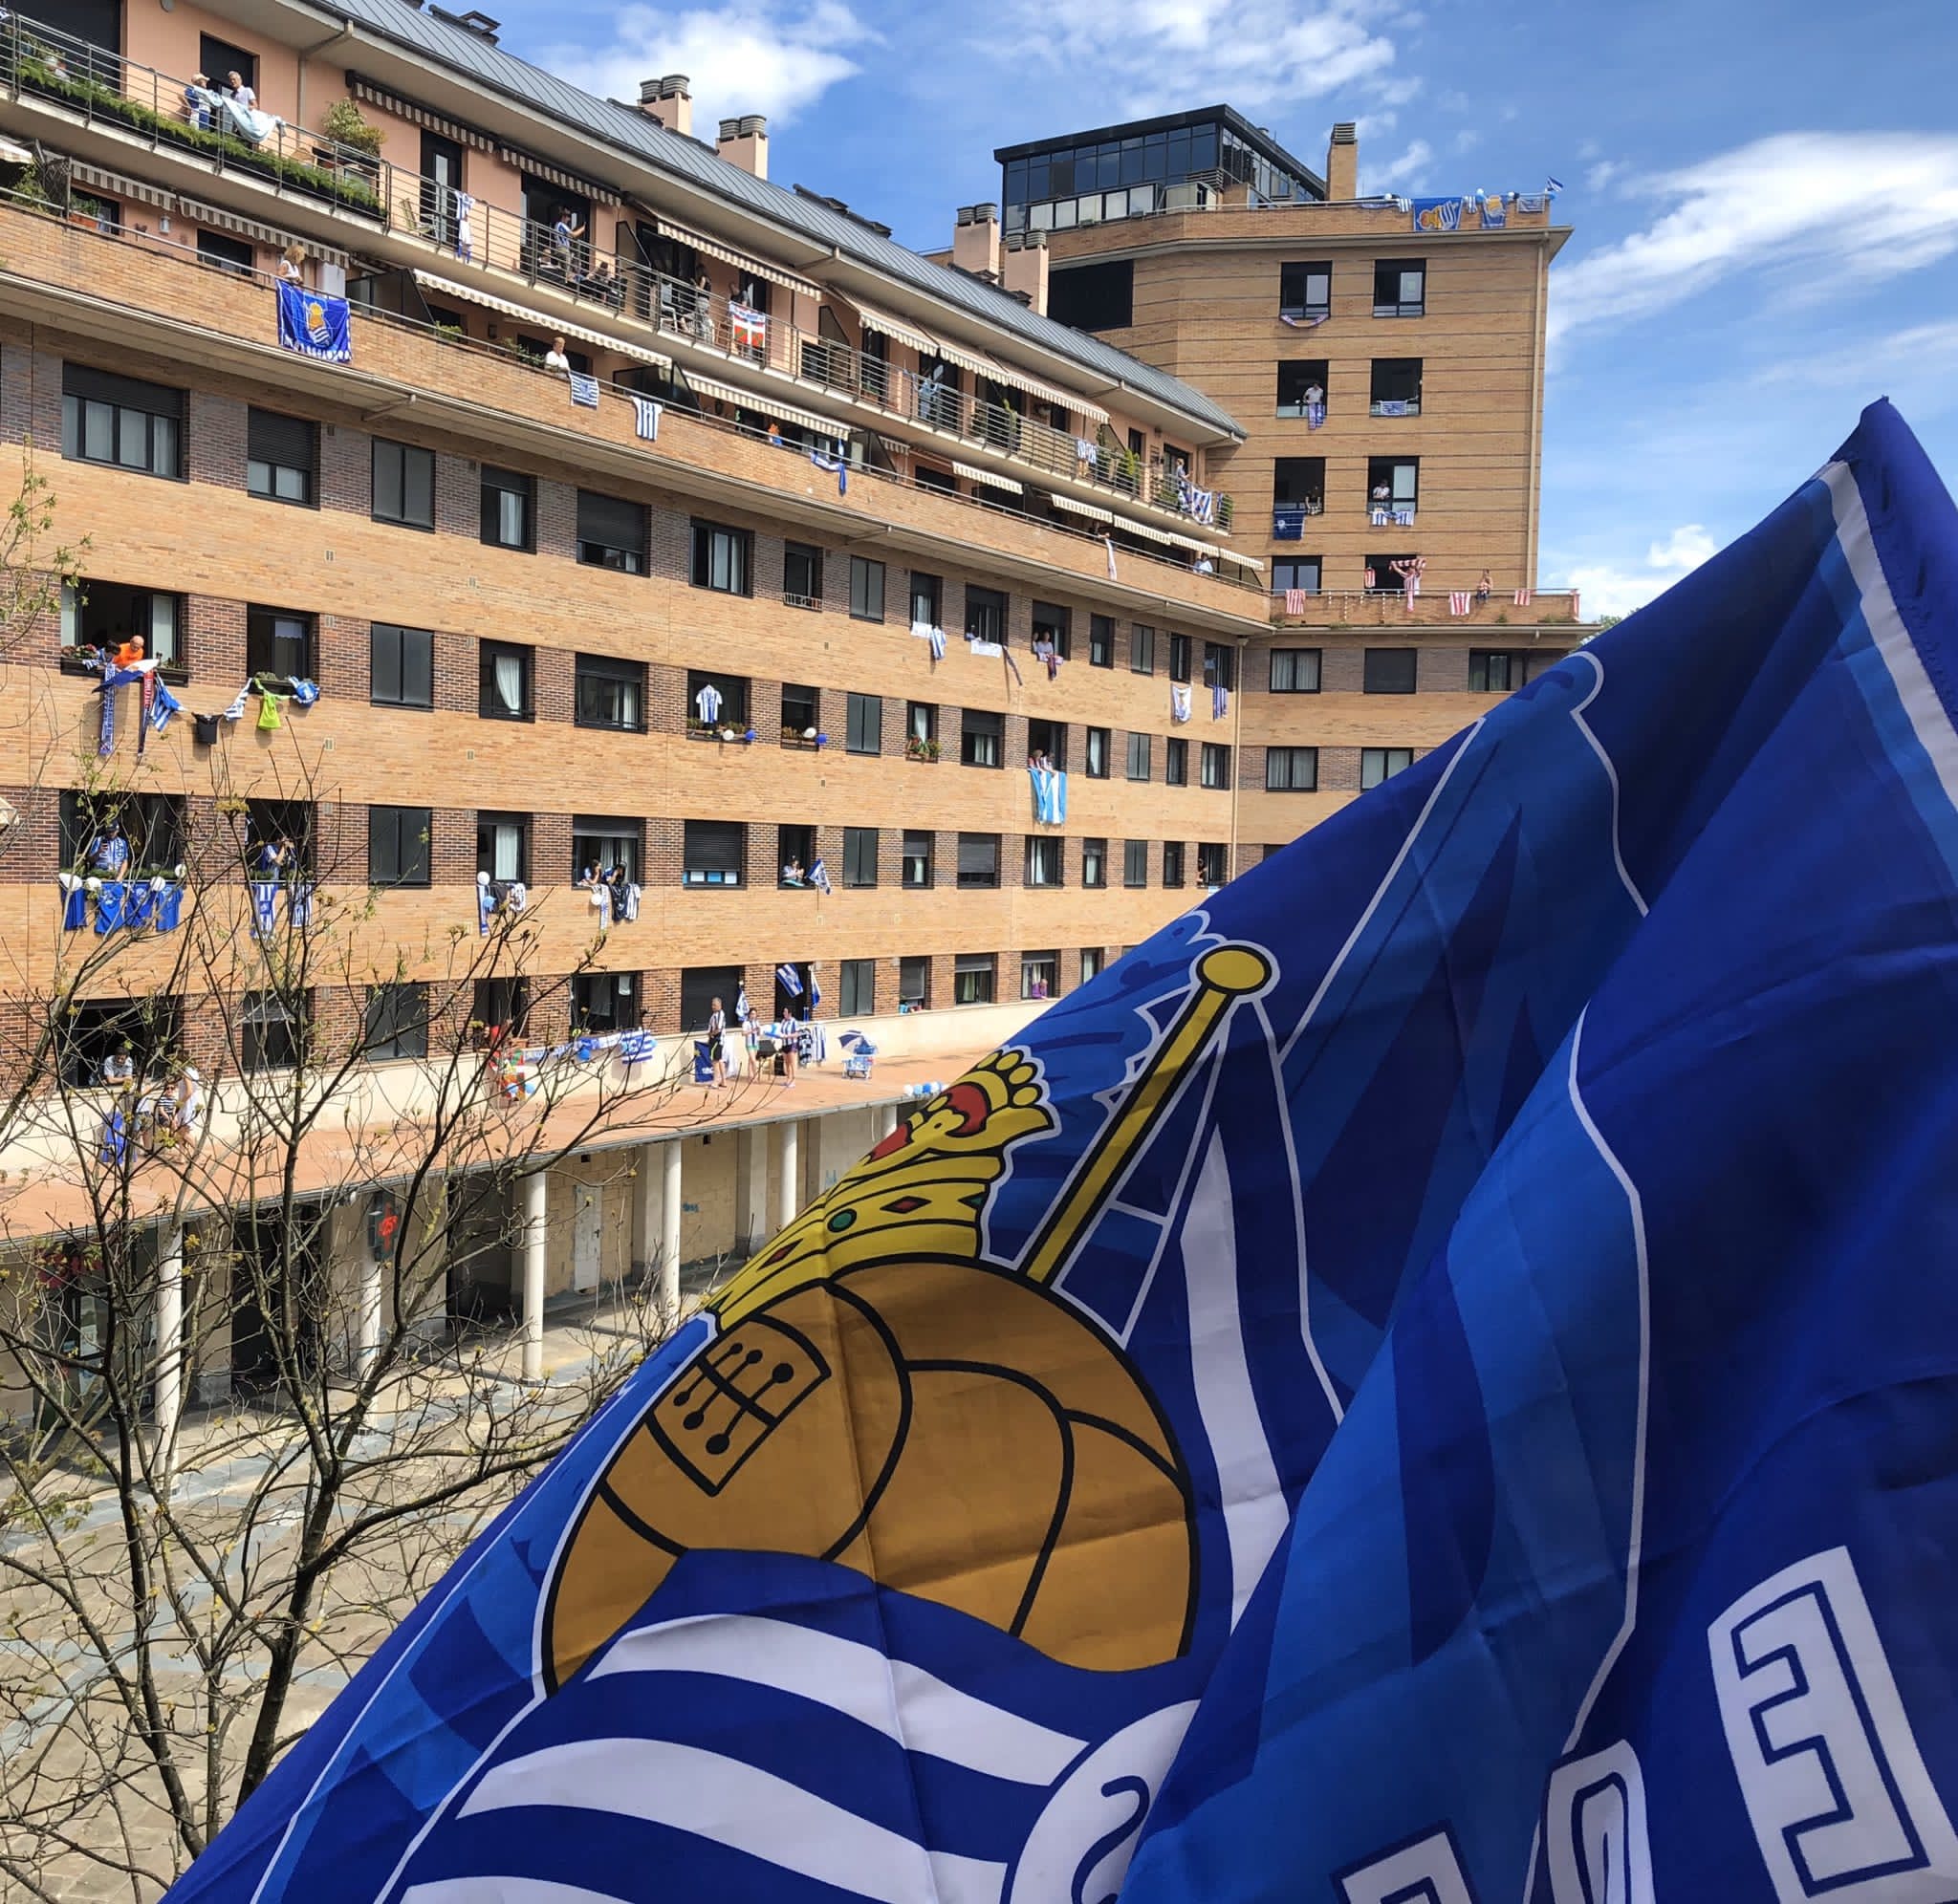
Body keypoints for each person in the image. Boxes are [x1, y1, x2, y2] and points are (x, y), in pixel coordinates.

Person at [551, 207, 585, 278]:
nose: (569, 219)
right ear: (563, 217)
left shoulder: (558, 226)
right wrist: (582, 229)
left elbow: (570, 236)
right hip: (563, 249)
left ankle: (563, 278)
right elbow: (573, 234)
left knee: (563, 268)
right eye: (568, 217)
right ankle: (565, 280)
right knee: (566, 268)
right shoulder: (561, 224)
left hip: (560, 249)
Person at [707, 996, 727, 1090]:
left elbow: (718, 1029)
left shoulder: (719, 1014)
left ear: (720, 1005)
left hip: (717, 1040)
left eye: (715, 1005)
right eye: (712, 1005)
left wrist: (711, 1034)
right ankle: (723, 1080)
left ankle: (716, 1081)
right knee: (720, 1060)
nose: (713, 1007)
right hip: (716, 1040)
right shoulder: (714, 1015)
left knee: (715, 1060)